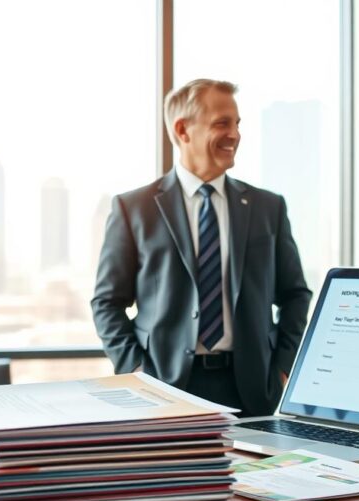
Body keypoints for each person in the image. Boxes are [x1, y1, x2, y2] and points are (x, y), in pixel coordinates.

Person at [92, 79, 311, 416]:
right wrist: (134, 370)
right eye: (222, 123)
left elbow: (295, 294)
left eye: (237, 124)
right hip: (163, 387)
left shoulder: (269, 207)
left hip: (252, 388)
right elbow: (107, 302)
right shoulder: (134, 208)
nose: (235, 134)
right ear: (183, 130)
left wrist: (283, 366)